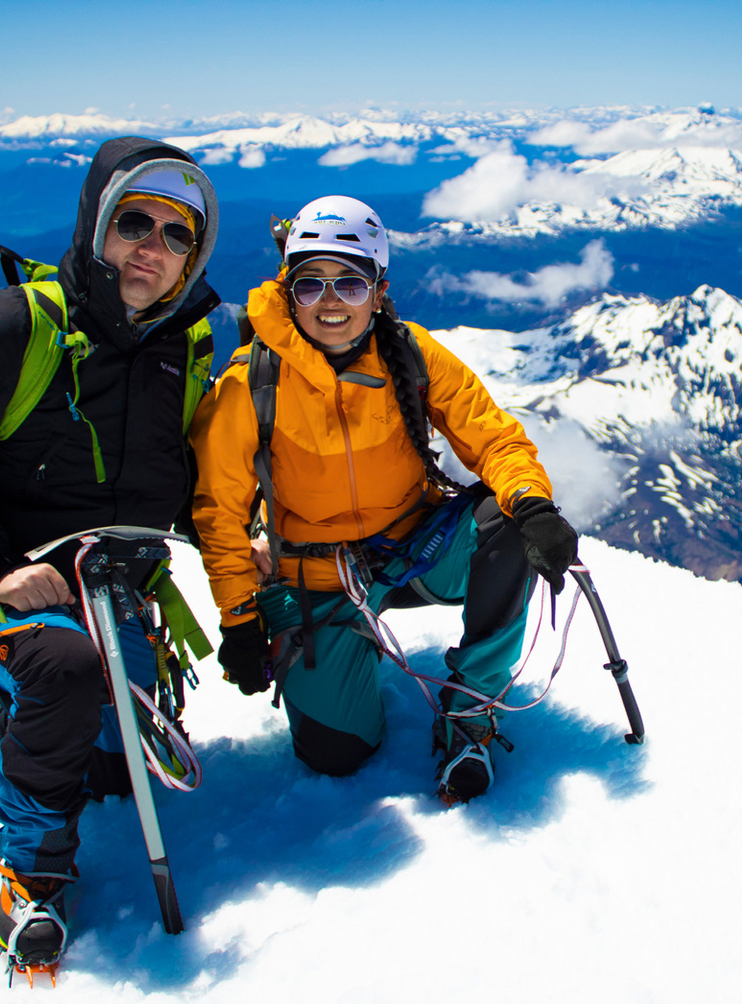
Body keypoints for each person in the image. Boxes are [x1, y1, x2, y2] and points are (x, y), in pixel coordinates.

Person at [0, 137, 220, 975]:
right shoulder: (14, 328)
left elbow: (170, 474)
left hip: (112, 587)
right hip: (7, 585)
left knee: (111, 770)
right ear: (95, 225)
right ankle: (32, 872)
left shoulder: (184, 347)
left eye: (177, 235)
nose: (152, 248)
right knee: (67, 673)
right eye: (133, 223)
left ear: (193, 257)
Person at [189, 196, 578, 804]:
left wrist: (532, 505)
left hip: (413, 551)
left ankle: (471, 712)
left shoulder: (412, 354)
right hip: (316, 578)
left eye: (349, 282)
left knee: (504, 521)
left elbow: (493, 437)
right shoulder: (249, 384)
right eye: (311, 283)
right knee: (337, 755)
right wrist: (240, 620)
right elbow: (219, 514)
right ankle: (346, 648)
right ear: (288, 289)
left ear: (378, 288)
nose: (331, 301)